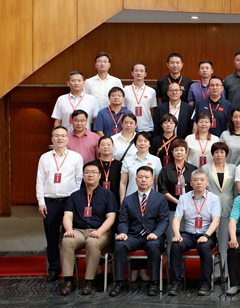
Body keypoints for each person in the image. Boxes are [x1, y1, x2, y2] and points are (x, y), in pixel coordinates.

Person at [109, 166, 169, 297]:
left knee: (153, 245)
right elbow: (123, 221)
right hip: (134, 236)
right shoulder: (128, 199)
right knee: (120, 245)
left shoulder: (160, 198)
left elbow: (164, 221)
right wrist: (123, 233)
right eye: (140, 177)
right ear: (136, 180)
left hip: (153, 235)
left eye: (147, 177)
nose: (143, 180)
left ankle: (154, 282)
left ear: (152, 180)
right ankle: (119, 282)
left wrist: (156, 234)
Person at [58, 162, 117, 295]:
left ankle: (89, 280)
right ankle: (68, 280)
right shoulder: (75, 196)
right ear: (83, 175)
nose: (90, 175)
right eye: (87, 172)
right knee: (67, 241)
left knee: (92, 242)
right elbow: (67, 216)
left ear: (99, 176)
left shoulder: (108, 195)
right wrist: (69, 230)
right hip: (78, 231)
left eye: (94, 172)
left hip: (101, 231)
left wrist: (99, 231)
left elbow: (111, 218)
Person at [36, 126, 84, 283]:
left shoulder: (76, 157)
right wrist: (41, 202)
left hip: (69, 202)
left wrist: (75, 201)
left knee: (68, 237)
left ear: (67, 139)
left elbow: (79, 180)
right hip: (50, 202)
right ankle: (53, 270)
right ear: (52, 139)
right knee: (51, 238)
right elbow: (40, 181)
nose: (60, 138)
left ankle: (68, 269)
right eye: (56, 136)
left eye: (63, 136)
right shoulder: (44, 158)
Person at [167, 170, 221, 296]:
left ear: (207, 182)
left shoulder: (214, 198)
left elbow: (216, 220)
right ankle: (176, 282)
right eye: (196, 180)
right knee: (176, 245)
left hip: (207, 234)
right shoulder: (183, 198)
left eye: (202, 180)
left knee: (204, 246)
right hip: (188, 234)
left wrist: (206, 235)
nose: (199, 182)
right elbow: (176, 219)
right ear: (191, 183)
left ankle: (206, 283)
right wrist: (177, 234)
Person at [203, 142, 237, 281]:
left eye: (222, 152)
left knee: (224, 242)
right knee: (212, 242)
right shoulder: (205, 168)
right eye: (216, 152)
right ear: (212, 154)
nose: (219, 155)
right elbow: (203, 188)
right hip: (209, 208)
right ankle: (215, 273)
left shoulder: (233, 168)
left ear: (226, 154)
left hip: (228, 207)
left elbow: (235, 190)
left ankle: (226, 273)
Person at [157, 138, 197, 253]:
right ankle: (171, 263)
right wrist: (176, 201)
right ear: (172, 152)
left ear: (186, 152)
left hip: (190, 208)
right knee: (173, 237)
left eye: (182, 150)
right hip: (171, 208)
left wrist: (187, 202)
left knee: (187, 238)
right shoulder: (165, 170)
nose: (179, 152)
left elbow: (197, 187)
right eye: (176, 150)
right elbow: (163, 189)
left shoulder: (193, 169)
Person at [120, 132, 163, 203]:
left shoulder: (156, 160)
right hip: (131, 199)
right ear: (135, 143)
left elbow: (157, 183)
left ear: (150, 144)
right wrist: (122, 202)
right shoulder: (127, 160)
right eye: (139, 141)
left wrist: (157, 201)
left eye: (145, 141)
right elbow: (123, 183)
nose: (142, 143)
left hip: (150, 200)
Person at [123, 62, 157, 132]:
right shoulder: (125, 90)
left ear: (145, 74)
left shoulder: (151, 91)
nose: (139, 73)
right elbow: (123, 109)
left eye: (141, 71)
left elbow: (152, 110)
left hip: (147, 128)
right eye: (136, 70)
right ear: (132, 73)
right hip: (129, 128)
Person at [96, 136, 124, 204]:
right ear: (98, 147)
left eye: (108, 144)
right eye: (103, 145)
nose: (106, 147)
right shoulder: (93, 165)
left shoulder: (120, 165)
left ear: (113, 146)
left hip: (115, 200)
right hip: (97, 201)